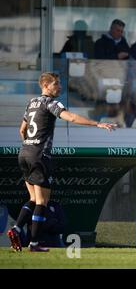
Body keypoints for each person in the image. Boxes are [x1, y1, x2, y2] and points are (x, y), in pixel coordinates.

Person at [7, 72, 116, 252]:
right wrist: (97, 124)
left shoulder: (31, 103)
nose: (60, 87)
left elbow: (22, 129)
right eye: (56, 84)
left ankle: (17, 228)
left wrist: (30, 144)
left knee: (33, 198)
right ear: (46, 86)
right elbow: (71, 117)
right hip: (39, 155)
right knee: (42, 202)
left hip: (24, 153)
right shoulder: (51, 103)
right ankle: (33, 243)